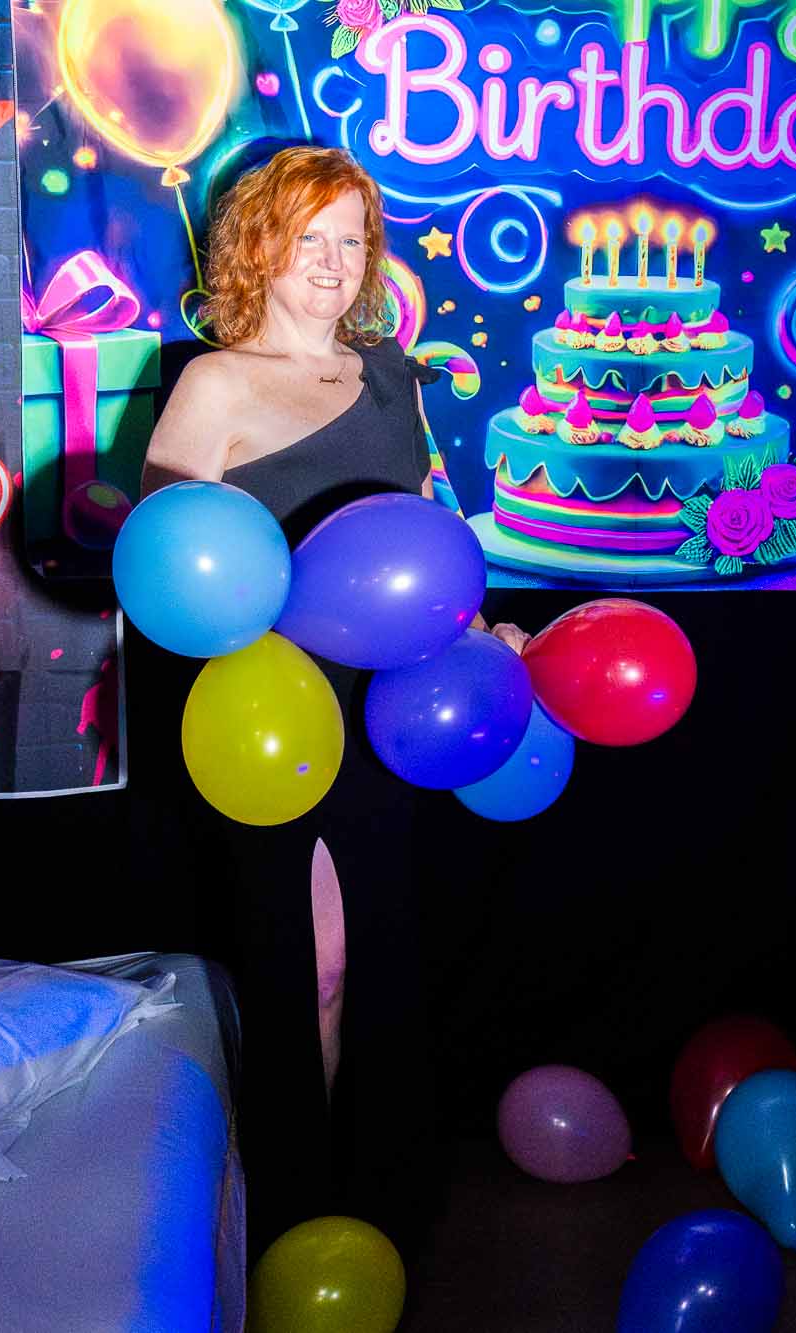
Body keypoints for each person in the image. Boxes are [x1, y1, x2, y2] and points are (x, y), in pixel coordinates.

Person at [129, 145, 522, 1260]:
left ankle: (380, 1206)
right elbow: (171, 565)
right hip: (274, 720)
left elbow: (425, 537)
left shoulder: (390, 374)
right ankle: (293, 1215)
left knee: (379, 959)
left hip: (387, 719)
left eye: (352, 239)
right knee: (310, 970)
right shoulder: (212, 382)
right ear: (258, 246)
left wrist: (479, 629)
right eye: (310, 237)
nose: (334, 262)